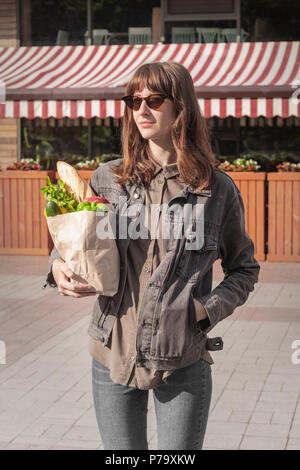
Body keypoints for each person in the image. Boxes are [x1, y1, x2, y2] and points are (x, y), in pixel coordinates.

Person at [46, 62, 260, 450]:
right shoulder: (108, 179)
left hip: (181, 357)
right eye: (134, 100)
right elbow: (74, 242)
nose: (141, 109)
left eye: (155, 100)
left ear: (181, 107)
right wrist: (58, 266)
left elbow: (244, 269)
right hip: (112, 351)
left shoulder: (217, 190)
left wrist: (203, 309)